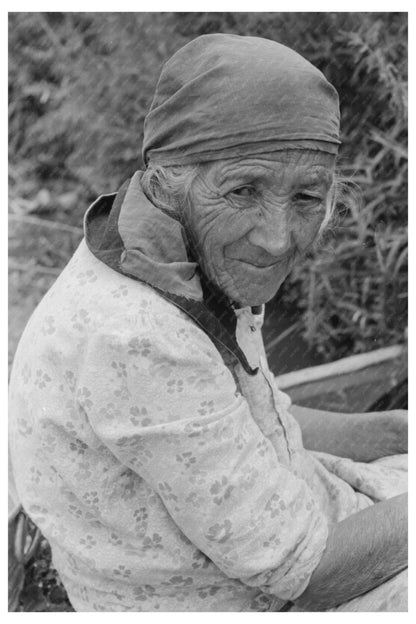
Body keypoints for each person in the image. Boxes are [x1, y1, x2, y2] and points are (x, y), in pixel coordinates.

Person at [8, 34, 407, 612]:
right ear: (168, 177)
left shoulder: (174, 252)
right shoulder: (138, 337)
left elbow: (249, 413)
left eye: (306, 197)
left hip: (292, 520)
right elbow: (307, 573)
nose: (277, 239)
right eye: (243, 190)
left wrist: (392, 433)